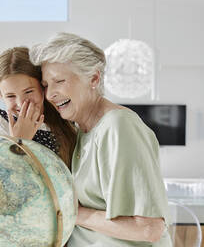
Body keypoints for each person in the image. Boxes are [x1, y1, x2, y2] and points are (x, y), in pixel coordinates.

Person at [30, 33, 172, 246]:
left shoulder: (119, 126)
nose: (51, 95)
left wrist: (72, 213)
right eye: (46, 85)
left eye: (59, 81)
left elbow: (149, 228)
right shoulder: (82, 132)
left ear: (94, 79)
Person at [0, 46, 77, 168]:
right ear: (0, 96)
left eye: (28, 92)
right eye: (11, 96)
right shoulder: (0, 127)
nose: (21, 103)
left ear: (43, 87)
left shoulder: (64, 117)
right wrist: (19, 141)